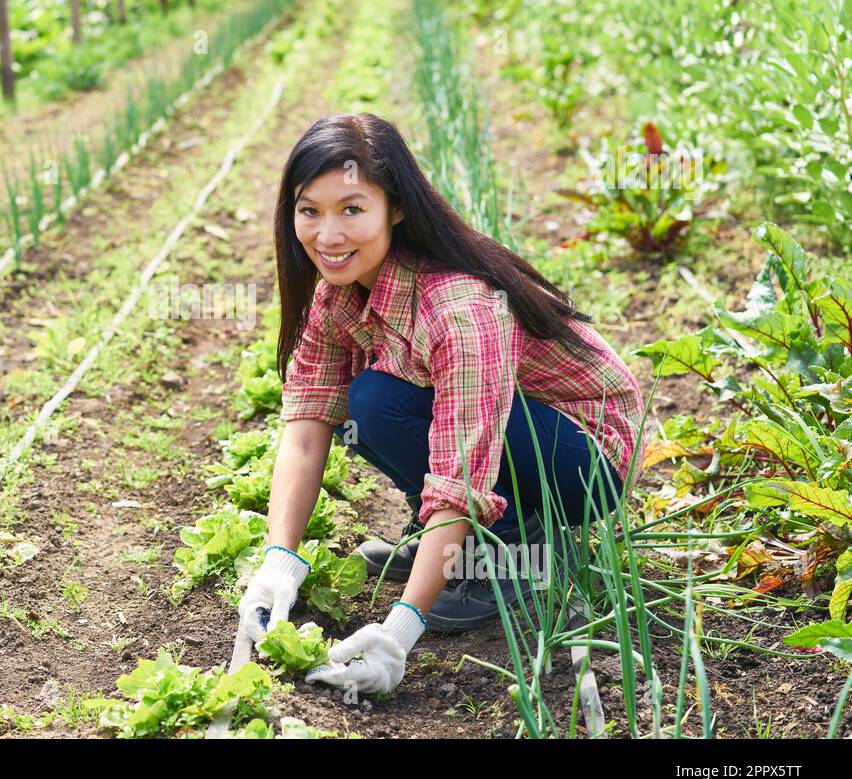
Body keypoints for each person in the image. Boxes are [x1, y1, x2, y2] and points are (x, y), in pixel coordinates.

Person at [229, 113, 648, 696]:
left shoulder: (461, 308)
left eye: (352, 209)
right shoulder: (338, 293)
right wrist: (279, 562)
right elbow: (306, 426)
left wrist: (398, 635)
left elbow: (461, 473)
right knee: (361, 405)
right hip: (518, 438)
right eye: (310, 211)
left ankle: (507, 550)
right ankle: (458, 547)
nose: (328, 234)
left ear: (395, 209)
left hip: (584, 457)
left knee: (378, 402)